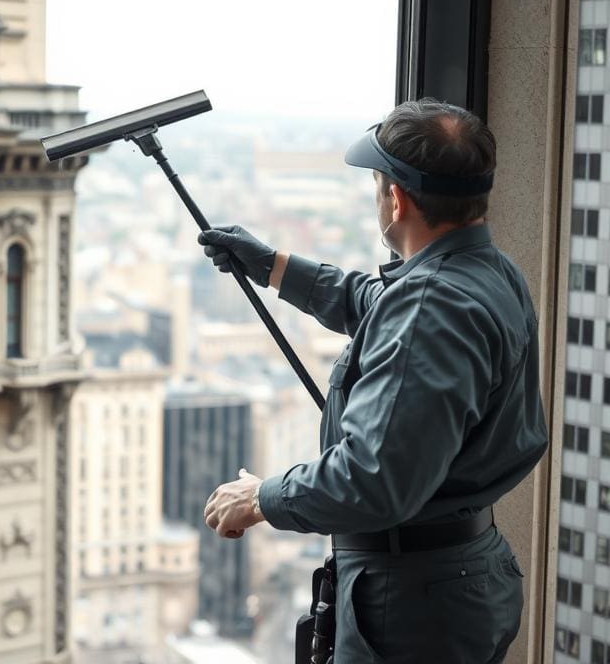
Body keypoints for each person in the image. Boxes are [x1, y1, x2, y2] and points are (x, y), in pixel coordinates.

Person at [199, 99, 548, 663]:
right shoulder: (488, 272)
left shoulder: (432, 304)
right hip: (460, 574)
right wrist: (272, 265)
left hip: (409, 604)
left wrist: (261, 497)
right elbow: (381, 305)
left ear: (397, 199)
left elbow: (372, 478)